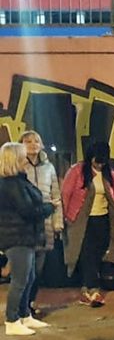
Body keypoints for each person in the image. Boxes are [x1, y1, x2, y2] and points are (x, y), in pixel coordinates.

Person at [62, 141, 114, 307]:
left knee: (100, 251)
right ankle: (92, 290)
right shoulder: (77, 171)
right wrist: (64, 217)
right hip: (81, 220)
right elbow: (65, 193)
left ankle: (87, 288)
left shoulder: (109, 174)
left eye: (103, 161)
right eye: (97, 160)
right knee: (87, 253)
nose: (99, 164)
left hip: (103, 218)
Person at [0, 142, 54, 335]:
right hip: (16, 237)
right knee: (20, 280)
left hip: (24, 236)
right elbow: (28, 210)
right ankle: (12, 320)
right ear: (14, 159)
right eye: (22, 156)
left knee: (29, 277)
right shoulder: (10, 184)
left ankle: (24, 315)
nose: (26, 159)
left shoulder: (19, 181)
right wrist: (50, 207)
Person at [20, 130, 63, 317]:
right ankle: (21, 309)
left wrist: (57, 222)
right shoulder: (18, 166)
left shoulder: (49, 167)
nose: (33, 144)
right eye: (28, 141)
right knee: (25, 270)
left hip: (45, 224)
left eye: (36, 141)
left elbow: (56, 195)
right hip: (25, 225)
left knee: (38, 269)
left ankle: (30, 303)